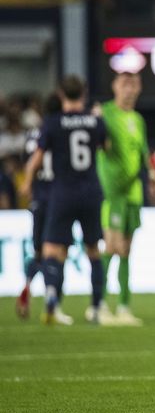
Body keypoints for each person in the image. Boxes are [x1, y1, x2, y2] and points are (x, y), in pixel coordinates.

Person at [20, 76, 107, 325]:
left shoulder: (52, 122)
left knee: (51, 249)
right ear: (84, 93)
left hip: (63, 193)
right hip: (91, 192)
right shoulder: (95, 121)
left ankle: (52, 299)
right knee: (93, 249)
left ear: (61, 94)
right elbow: (106, 148)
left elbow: (36, 159)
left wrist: (27, 181)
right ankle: (96, 306)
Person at [97, 72, 155, 326]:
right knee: (111, 247)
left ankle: (123, 307)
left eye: (134, 85)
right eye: (125, 85)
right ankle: (98, 304)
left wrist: (154, 175)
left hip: (133, 193)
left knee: (125, 250)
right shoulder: (105, 114)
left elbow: (144, 153)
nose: (130, 90)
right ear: (115, 86)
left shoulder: (137, 119)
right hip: (113, 193)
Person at [15, 94, 60, 319]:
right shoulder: (59, 131)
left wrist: (28, 183)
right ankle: (52, 295)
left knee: (39, 251)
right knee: (56, 250)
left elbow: (27, 161)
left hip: (38, 198)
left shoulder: (32, 134)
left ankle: (28, 283)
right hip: (58, 198)